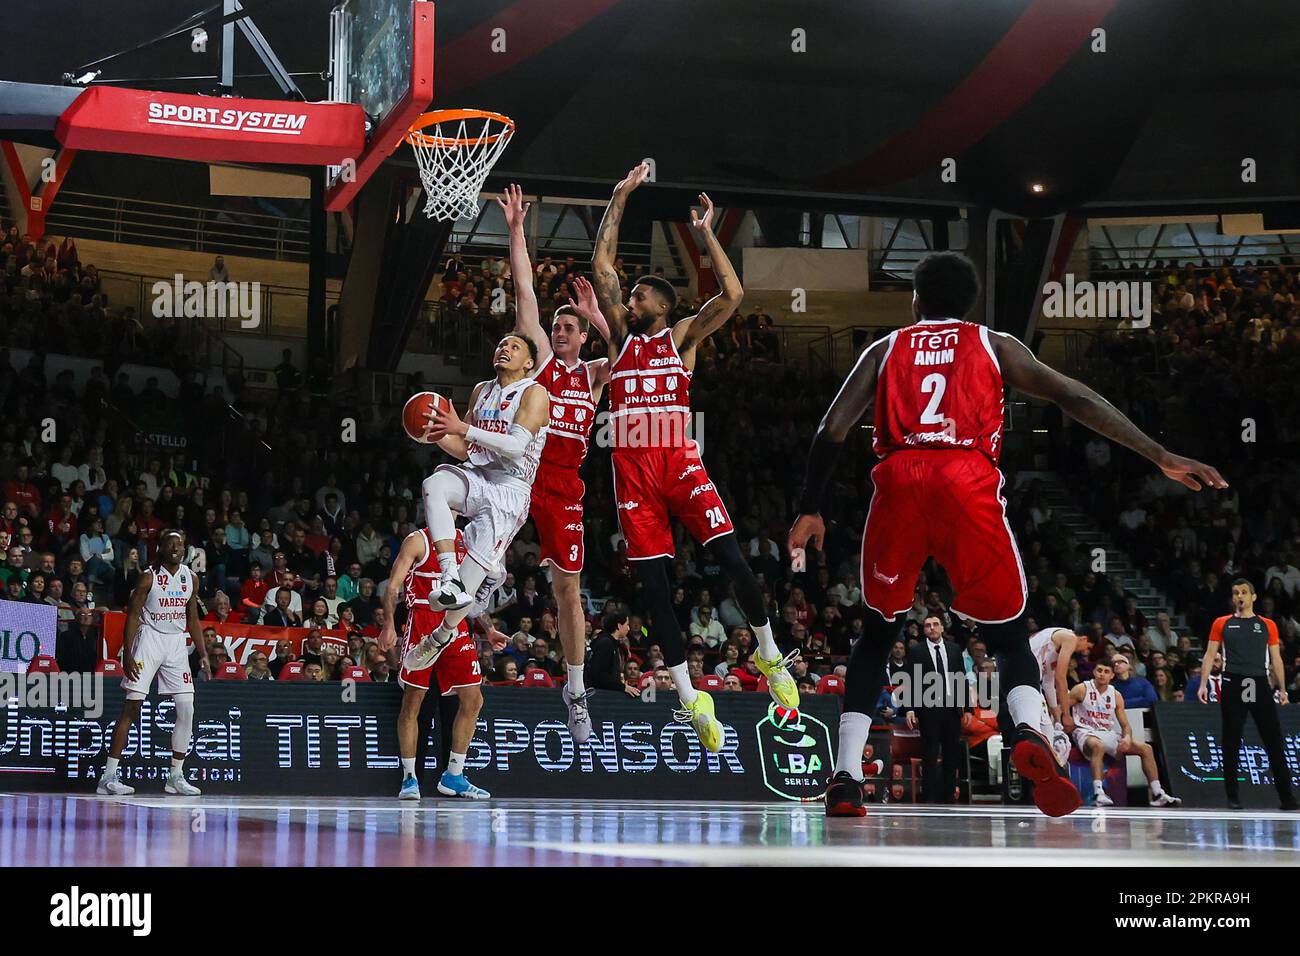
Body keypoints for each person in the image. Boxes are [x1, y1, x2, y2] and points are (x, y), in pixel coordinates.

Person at [790, 250, 1226, 818]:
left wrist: (811, 508)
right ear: (970, 304)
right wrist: (1158, 452)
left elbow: (833, 428)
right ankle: (1026, 732)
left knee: (877, 633)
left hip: (899, 480)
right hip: (966, 478)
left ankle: (845, 779)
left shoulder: (886, 348)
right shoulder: (994, 344)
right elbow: (1074, 396)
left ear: (915, 301)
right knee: (1007, 634)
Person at [590, 163, 796, 752]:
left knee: (732, 560)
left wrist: (707, 235)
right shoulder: (621, 340)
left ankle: (769, 653)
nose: (630, 296)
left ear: (665, 302)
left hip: (680, 466)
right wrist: (619, 193)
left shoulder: (680, 337)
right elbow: (603, 264)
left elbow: (732, 295)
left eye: (641, 292)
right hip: (633, 473)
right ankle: (689, 698)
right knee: (654, 591)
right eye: (629, 294)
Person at [488, 185, 613, 742]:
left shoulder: (593, 375)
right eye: (557, 327)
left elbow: (627, 351)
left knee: (568, 588)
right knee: (475, 559)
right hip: (520, 473)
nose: (559, 332)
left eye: (569, 328)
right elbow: (523, 290)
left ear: (582, 336)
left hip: (565, 487)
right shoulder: (537, 363)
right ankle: (451, 627)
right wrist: (516, 228)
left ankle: (576, 690)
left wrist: (598, 315)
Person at [402, 327, 549, 675]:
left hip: (511, 490)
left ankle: (439, 637)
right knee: (435, 483)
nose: (505, 348)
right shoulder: (482, 391)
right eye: (501, 343)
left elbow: (514, 446)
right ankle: (449, 574)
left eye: (514, 346)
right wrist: (436, 434)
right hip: (479, 476)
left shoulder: (535, 393)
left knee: (465, 597)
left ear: (528, 362)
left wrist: (460, 427)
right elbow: (466, 447)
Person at [384, 526, 506, 800]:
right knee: (413, 702)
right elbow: (393, 586)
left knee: (474, 700)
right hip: (423, 620)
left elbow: (473, 595)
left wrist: (488, 629)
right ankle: (409, 778)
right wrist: (389, 625)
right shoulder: (418, 540)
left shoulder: (468, 540)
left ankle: (454, 775)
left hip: (456, 623)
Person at [98, 531, 210, 796]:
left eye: (180, 544)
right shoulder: (149, 576)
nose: (176, 548)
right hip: (148, 639)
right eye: (171, 543)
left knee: (187, 708)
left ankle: (175, 776)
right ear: (160, 548)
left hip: (175, 643)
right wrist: (127, 654)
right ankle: (108, 776)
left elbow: (192, 618)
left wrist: (203, 652)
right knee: (133, 706)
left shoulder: (190, 578)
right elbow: (133, 615)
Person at [1197, 579, 1297, 811]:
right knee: (1231, 740)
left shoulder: (1267, 624)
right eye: (1235, 593)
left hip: (1259, 683)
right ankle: (1233, 797)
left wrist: (1282, 689)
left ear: (1253, 597)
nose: (1239, 596)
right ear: (1232, 598)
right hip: (1233, 682)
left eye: (1244, 592)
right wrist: (1203, 684)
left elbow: (1276, 659)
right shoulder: (1222, 623)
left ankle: (1287, 798)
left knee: (1273, 740)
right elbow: (1210, 654)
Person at [1066, 660, 1181, 808]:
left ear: (1112, 675)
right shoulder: (1082, 689)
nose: (1102, 674)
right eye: (1099, 670)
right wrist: (1063, 724)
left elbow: (1125, 725)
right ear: (1094, 672)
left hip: (1106, 732)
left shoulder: (1116, 695)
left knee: (1146, 749)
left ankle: (1158, 793)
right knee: (1098, 746)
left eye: (1106, 672)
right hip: (1084, 731)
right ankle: (1099, 793)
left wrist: (1127, 737)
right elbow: (1062, 707)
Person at [903, 616, 966, 803]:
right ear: (924, 630)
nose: (932, 628)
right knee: (929, 754)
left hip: (951, 707)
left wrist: (968, 708)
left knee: (951, 755)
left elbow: (961, 677)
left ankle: (949, 796)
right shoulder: (916, 650)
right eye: (928, 626)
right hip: (928, 708)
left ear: (942, 627)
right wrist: (910, 708)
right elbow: (910, 681)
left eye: (935, 625)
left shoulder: (954, 649)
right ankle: (929, 796)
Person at [1029, 626, 1092, 764]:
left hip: (1026, 680)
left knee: (1046, 731)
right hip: (1023, 680)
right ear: (1084, 638)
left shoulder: (1055, 643)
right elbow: (1060, 677)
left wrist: (1057, 717)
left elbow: (1048, 683)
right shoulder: (1070, 638)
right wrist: (1066, 715)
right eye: (1088, 647)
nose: (1085, 651)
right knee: (1045, 732)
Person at [588, 609, 640, 696]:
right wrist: (622, 687)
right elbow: (599, 675)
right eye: (627, 624)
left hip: (606, 694)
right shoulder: (605, 643)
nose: (628, 628)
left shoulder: (611, 643)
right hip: (600, 696)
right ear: (619, 626)